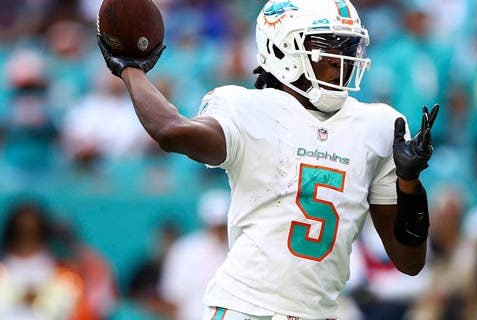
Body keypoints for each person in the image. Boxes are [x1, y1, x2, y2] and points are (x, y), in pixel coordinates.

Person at [97, 0, 439, 319]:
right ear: (282, 49)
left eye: (347, 46)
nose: (341, 59)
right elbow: (171, 131)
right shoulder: (247, 109)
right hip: (246, 308)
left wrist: (410, 186)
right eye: (326, 46)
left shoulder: (378, 125)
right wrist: (131, 69)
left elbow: (409, 262)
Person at [159, 189, 231, 320]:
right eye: (215, 226)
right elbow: (172, 298)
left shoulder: (241, 249)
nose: (219, 231)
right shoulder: (185, 250)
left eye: (223, 226)